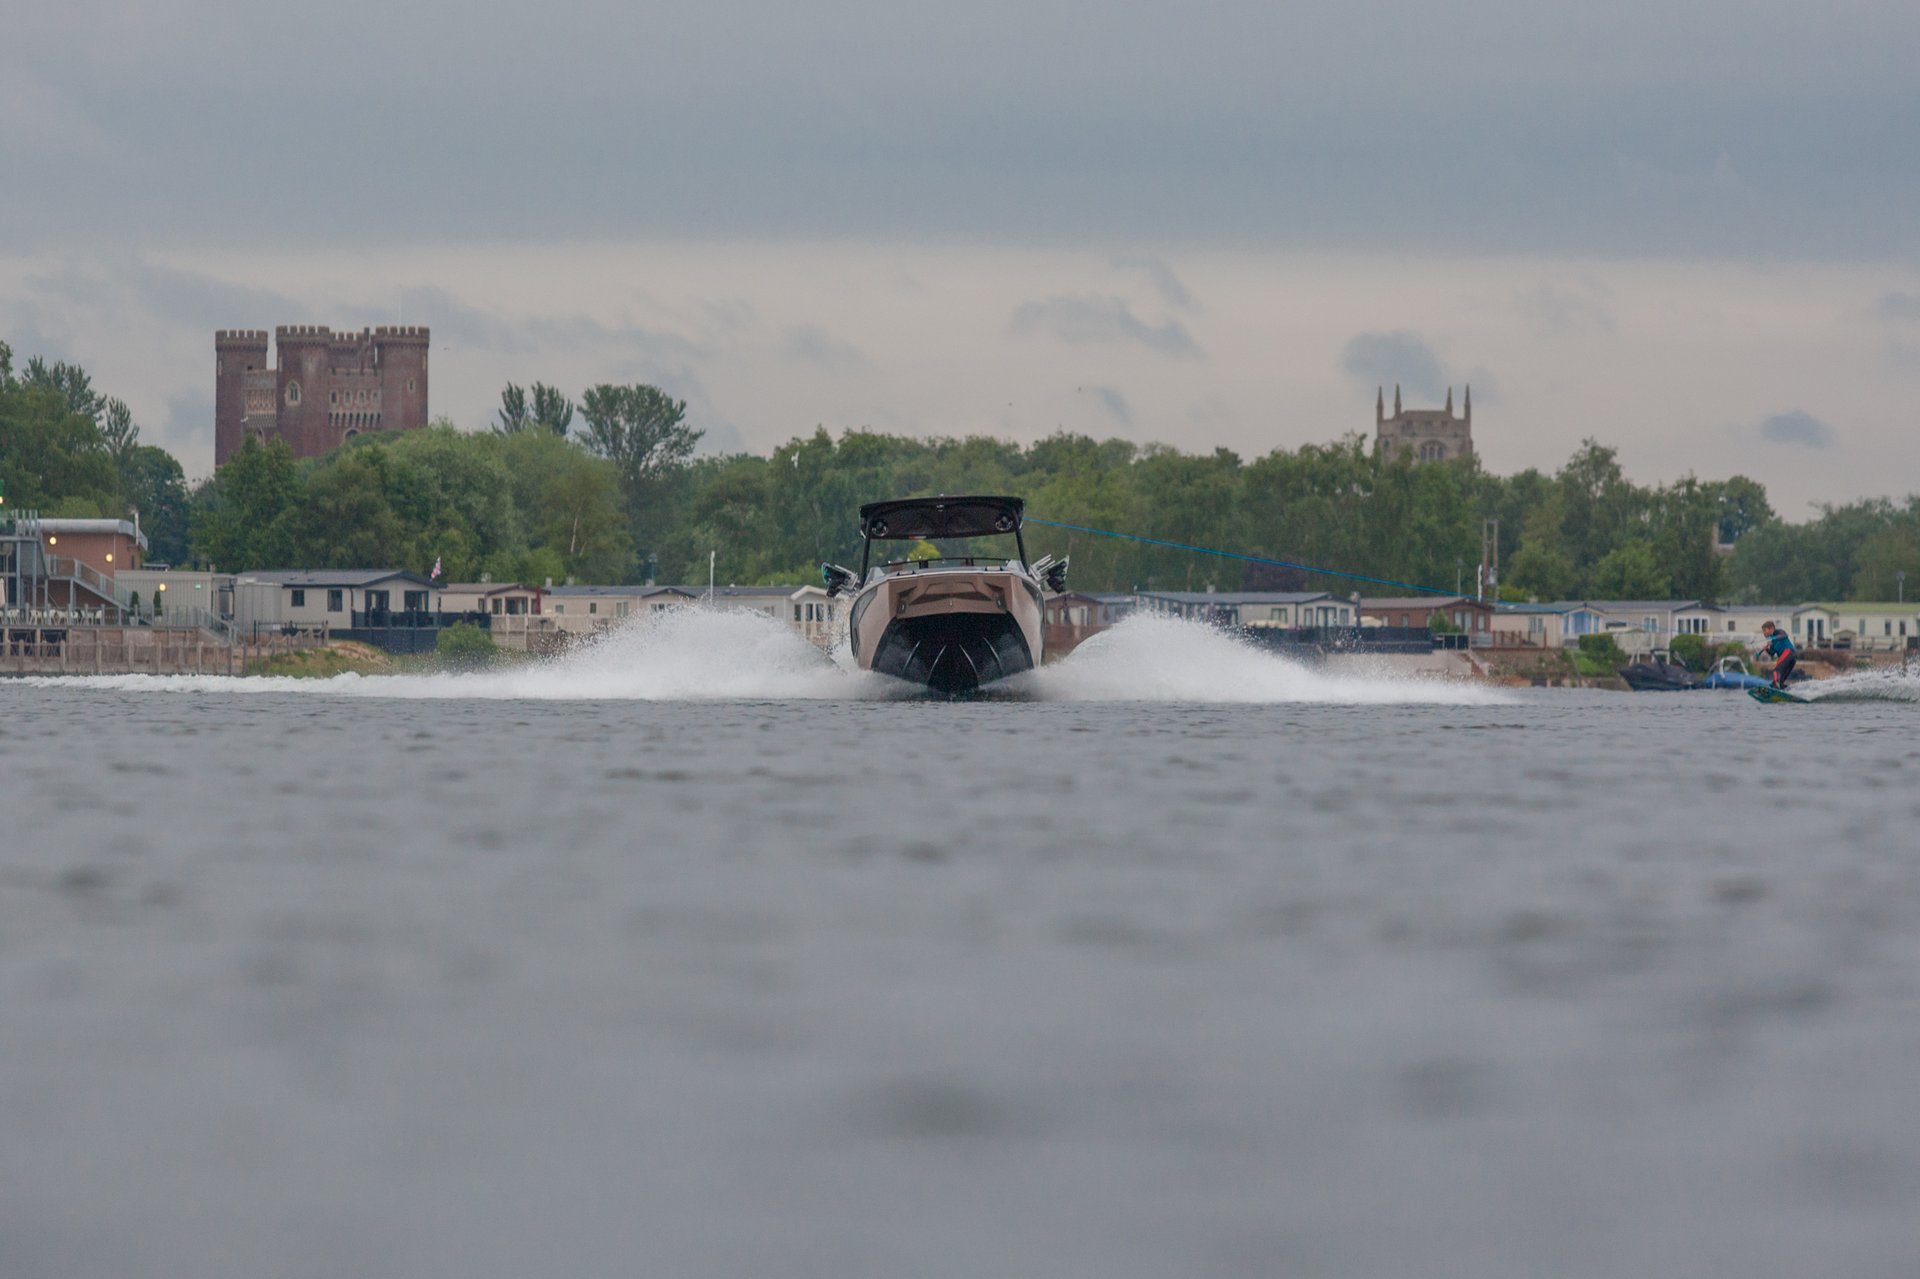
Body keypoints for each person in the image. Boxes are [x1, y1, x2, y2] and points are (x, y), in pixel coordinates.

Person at [1757, 621, 1796, 688]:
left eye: (1765, 630)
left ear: (1771, 628)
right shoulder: (1772, 642)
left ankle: (1775, 684)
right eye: (1763, 631)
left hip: (1788, 652)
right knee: (1780, 682)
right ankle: (1787, 691)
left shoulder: (1778, 632)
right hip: (1791, 658)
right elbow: (1772, 653)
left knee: (1776, 670)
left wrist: (1773, 638)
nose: (1763, 633)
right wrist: (1766, 649)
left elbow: (1784, 636)